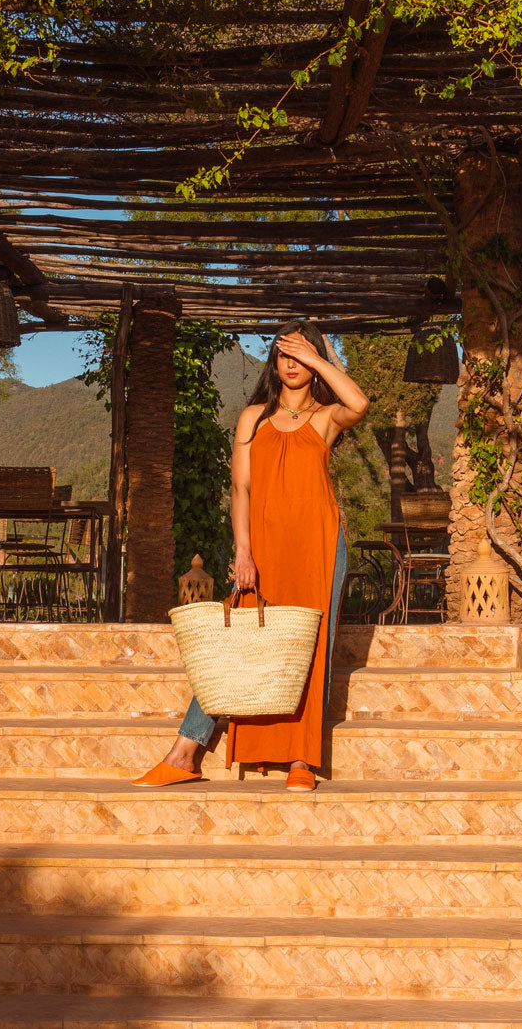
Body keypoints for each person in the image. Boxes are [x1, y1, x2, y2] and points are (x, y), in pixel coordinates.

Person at [132, 319, 369, 791]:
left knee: (312, 648)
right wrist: (243, 551)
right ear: (274, 362)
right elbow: (240, 489)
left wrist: (317, 354)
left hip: (319, 542)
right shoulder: (252, 419)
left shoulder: (325, 417)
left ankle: (303, 758)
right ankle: (186, 752)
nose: (293, 364)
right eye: (286, 354)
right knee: (239, 645)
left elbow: (359, 403)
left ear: (314, 364)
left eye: (302, 357)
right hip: (260, 545)